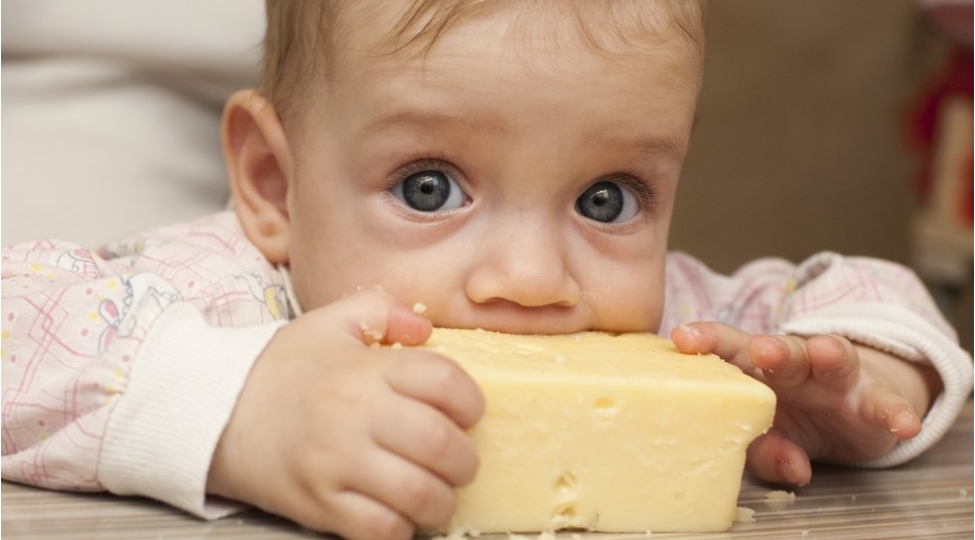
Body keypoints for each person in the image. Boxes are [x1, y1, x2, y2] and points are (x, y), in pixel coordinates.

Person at [2, 1, 972, 540]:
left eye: (607, 199)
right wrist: (240, 409)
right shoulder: (225, 300)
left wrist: (862, 372)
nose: (533, 277)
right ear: (272, 182)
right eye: (428, 188)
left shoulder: (659, 323)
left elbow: (846, 293)